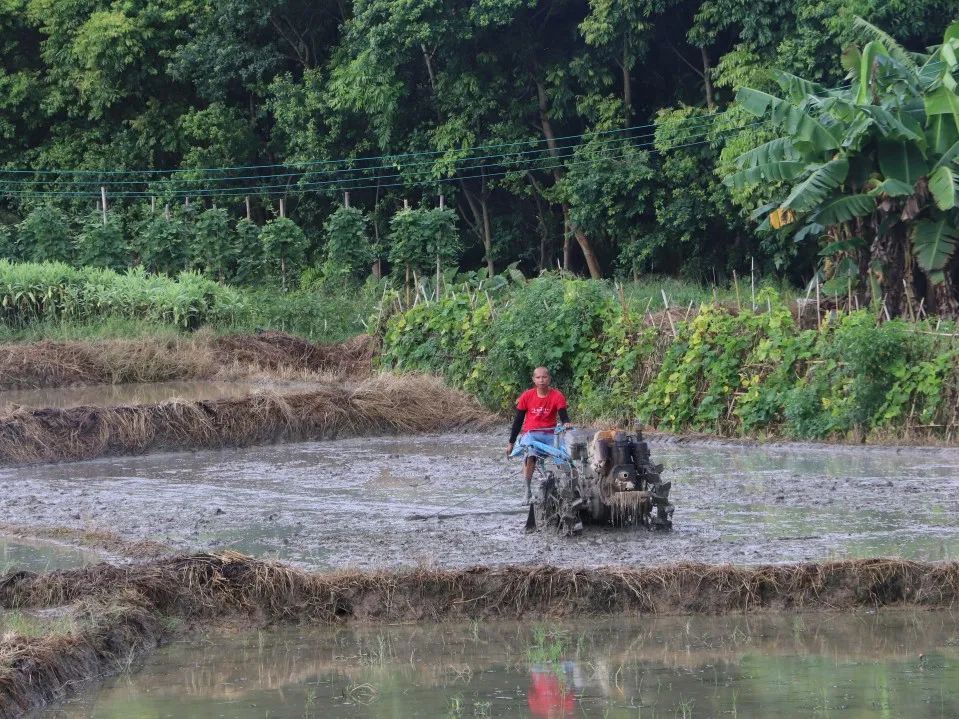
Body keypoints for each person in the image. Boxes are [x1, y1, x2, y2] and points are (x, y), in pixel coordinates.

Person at [507, 367, 572, 502]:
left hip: (550, 434)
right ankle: (527, 490)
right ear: (534, 379)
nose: (541, 380)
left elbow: (564, 417)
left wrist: (566, 423)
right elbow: (518, 421)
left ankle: (567, 486)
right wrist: (511, 443)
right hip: (531, 435)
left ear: (549, 379)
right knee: (530, 456)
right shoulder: (526, 396)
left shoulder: (557, 396)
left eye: (544, 377)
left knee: (564, 456)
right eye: (538, 377)